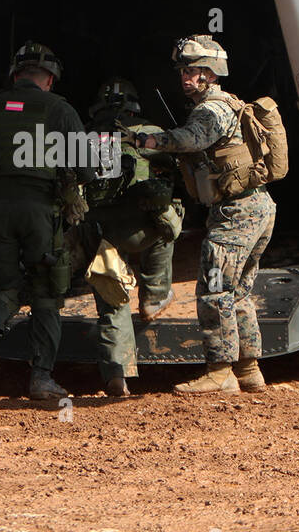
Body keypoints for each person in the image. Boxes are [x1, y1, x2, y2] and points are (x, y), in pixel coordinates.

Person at [132, 35, 276, 395]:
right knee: (238, 292)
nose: (186, 77)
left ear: (211, 74)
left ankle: (220, 371)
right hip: (256, 208)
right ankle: (249, 369)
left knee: (214, 289)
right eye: (184, 70)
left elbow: (193, 139)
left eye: (194, 71)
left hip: (236, 214)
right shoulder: (229, 103)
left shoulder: (211, 109)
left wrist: (154, 141)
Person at [0, 41, 94, 400]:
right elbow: (86, 169)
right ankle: (41, 378)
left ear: (15, 75)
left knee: (2, 286)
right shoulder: (58, 109)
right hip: (39, 211)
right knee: (46, 293)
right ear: (50, 78)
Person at [80, 77, 181, 397]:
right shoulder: (149, 131)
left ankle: (117, 373)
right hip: (143, 232)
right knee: (171, 217)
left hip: (100, 233)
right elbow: (173, 171)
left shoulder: (83, 136)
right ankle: (154, 295)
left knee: (112, 299)